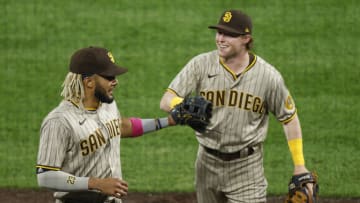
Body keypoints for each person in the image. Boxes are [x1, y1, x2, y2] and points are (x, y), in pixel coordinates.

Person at [160, 9, 314, 203]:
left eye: (229, 34)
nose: (221, 39)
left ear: (246, 39)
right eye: (219, 32)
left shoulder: (268, 77)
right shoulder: (200, 65)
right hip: (206, 164)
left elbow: (289, 119)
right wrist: (180, 104)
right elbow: (166, 99)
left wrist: (299, 165)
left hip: (247, 168)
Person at [36, 46, 176, 203]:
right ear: (89, 82)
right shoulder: (59, 122)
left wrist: (169, 121)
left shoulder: (107, 104)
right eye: (109, 77)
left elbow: (120, 126)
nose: (115, 82)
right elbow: (45, 176)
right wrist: (95, 184)